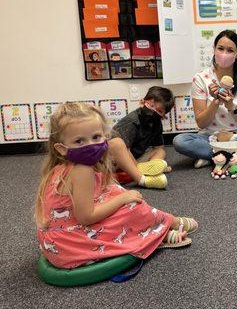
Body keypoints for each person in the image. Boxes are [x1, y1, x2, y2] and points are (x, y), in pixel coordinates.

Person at [34, 102, 198, 269]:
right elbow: (86, 217)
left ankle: (157, 230)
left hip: (55, 242)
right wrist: (123, 200)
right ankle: (165, 227)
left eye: (96, 137)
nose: (91, 144)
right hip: (71, 245)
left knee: (114, 190)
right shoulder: (81, 170)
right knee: (133, 206)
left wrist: (118, 196)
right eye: (79, 141)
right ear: (62, 148)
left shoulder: (61, 166)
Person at [173, 30, 237, 168]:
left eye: (230, 50)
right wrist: (215, 101)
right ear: (214, 49)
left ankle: (214, 157)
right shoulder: (200, 79)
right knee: (180, 141)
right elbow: (201, 123)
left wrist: (231, 106)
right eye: (220, 48)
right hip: (210, 137)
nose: (224, 53)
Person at [109, 86, 174, 189]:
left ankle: (148, 169)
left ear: (163, 115)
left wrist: (152, 163)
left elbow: (159, 147)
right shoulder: (132, 120)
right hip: (115, 159)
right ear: (142, 102)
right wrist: (138, 168)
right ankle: (139, 173)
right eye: (151, 106)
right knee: (119, 151)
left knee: (161, 152)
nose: (153, 111)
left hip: (135, 158)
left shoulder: (157, 123)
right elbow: (126, 149)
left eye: (159, 111)